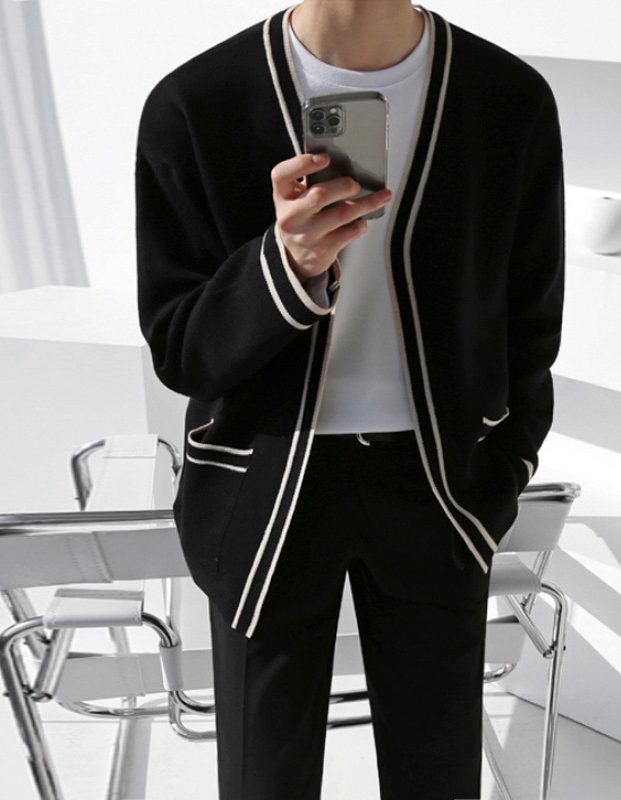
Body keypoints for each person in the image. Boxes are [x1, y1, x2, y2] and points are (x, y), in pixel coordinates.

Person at [135, 0, 564, 797]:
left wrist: (502, 471)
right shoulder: (197, 104)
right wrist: (285, 265)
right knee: (264, 780)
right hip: (265, 486)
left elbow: (531, 321)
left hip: (440, 487)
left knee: (437, 778)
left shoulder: (506, 98)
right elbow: (180, 348)